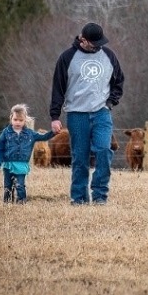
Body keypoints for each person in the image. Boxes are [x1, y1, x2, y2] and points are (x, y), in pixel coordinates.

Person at [50, 22, 124, 205]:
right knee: (80, 158)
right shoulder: (67, 58)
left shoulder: (108, 55)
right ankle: (79, 198)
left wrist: (110, 101)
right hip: (76, 114)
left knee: (104, 151)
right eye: (94, 43)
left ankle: (100, 195)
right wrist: (54, 116)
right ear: (83, 40)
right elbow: (58, 88)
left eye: (100, 43)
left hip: (101, 113)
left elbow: (119, 80)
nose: (98, 46)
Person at [0, 104, 56, 204]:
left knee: (20, 185)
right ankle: (7, 203)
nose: (17, 122)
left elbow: (44, 137)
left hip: (21, 165)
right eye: (15, 119)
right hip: (8, 164)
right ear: (11, 118)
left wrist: (53, 132)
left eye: (20, 120)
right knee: (7, 186)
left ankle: (21, 202)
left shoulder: (30, 134)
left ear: (25, 120)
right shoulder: (6, 132)